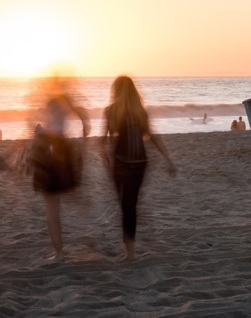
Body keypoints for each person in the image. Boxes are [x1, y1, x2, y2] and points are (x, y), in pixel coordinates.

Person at [101, 75, 176, 261]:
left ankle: (129, 253)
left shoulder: (111, 111)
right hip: (138, 163)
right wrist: (168, 159)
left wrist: (104, 156)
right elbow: (152, 136)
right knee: (129, 206)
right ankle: (130, 252)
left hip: (120, 163)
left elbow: (103, 141)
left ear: (115, 91)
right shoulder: (140, 112)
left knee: (125, 206)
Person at [30, 75, 90, 260]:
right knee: (57, 203)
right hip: (63, 151)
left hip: (50, 152)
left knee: (51, 208)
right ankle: (76, 196)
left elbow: (52, 129)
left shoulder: (51, 101)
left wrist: (40, 130)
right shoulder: (66, 100)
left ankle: (59, 253)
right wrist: (85, 126)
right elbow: (79, 112)